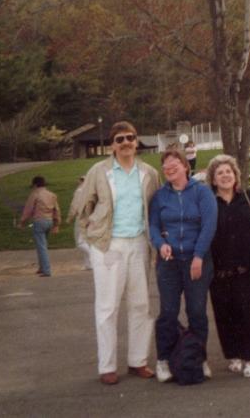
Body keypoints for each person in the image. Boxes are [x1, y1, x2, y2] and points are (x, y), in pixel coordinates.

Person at [76, 121, 161, 385]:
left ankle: (138, 361)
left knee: (140, 304)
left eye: (130, 138)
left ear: (137, 142)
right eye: (120, 139)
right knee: (107, 306)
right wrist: (91, 239)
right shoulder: (98, 172)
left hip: (138, 243)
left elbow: (156, 207)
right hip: (108, 245)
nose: (126, 143)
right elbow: (83, 207)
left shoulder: (148, 173)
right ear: (112, 145)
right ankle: (107, 365)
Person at [149, 149, 218, 383]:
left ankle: (200, 358)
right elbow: (154, 226)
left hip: (196, 260)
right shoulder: (159, 197)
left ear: (185, 166)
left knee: (196, 311)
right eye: (165, 165)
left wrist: (198, 256)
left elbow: (209, 225)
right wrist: (160, 244)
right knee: (168, 312)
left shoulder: (202, 192)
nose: (169, 168)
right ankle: (163, 360)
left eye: (174, 164)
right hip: (169, 262)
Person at [206, 154, 250, 378]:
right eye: (220, 173)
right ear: (213, 179)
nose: (225, 175)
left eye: (229, 171)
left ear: (236, 175)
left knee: (248, 311)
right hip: (217, 270)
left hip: (247, 268)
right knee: (224, 313)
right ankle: (234, 355)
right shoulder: (208, 202)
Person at [18, 176, 61, 278]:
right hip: (49, 221)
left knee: (41, 247)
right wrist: (56, 224)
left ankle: (46, 270)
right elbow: (57, 210)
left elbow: (28, 210)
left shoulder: (35, 194)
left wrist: (22, 221)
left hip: (39, 221)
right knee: (43, 245)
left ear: (35, 185)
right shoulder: (52, 195)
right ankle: (42, 267)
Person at [66, 175, 91, 270]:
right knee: (87, 241)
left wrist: (70, 217)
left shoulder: (79, 191)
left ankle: (92, 257)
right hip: (91, 217)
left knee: (80, 242)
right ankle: (88, 264)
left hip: (81, 217)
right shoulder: (92, 191)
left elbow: (74, 206)